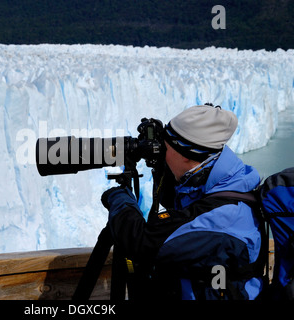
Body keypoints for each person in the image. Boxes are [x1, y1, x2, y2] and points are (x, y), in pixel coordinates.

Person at [101, 104, 264, 300]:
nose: (162, 152)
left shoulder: (222, 216)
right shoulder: (224, 181)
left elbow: (141, 242)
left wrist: (119, 198)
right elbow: (183, 204)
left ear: (187, 157)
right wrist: (162, 168)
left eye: (165, 148)